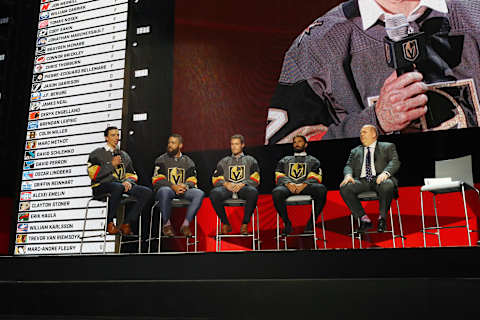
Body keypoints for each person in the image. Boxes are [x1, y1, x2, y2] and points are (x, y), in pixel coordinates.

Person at [266, 0, 480, 144]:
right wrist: (374, 122)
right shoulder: (316, 46)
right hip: (388, 209)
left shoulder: (474, 15)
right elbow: (286, 165)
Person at [87, 126, 152, 235]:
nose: (116, 137)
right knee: (118, 186)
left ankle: (127, 223)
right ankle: (109, 223)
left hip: (121, 186)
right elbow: (93, 174)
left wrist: (129, 182)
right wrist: (111, 165)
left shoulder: (124, 155)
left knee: (146, 192)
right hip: (100, 186)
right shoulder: (97, 153)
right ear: (106, 138)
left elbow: (132, 174)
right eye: (113, 135)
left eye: (118, 135)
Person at [339, 125, 400, 233]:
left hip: (379, 180)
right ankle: (364, 219)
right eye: (361, 132)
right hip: (362, 181)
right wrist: (348, 175)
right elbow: (348, 165)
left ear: (374, 134)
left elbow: (394, 162)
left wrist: (386, 173)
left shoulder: (387, 146)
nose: (361, 134)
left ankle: (382, 219)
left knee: (387, 184)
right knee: (345, 187)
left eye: (365, 132)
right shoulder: (355, 151)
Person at [272, 135, 327, 235]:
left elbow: (316, 176)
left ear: (306, 144)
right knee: (277, 192)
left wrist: (304, 184)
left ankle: (311, 223)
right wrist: (289, 184)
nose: (297, 144)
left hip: (306, 186)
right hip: (289, 187)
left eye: (300, 141)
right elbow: (278, 174)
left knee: (321, 189)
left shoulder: (313, 160)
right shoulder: (285, 160)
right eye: (295, 142)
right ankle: (287, 223)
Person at [152, 134, 205, 237]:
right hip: (167, 191)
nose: (169, 145)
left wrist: (185, 186)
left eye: (173, 143)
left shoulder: (188, 161)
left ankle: (185, 225)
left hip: (183, 190)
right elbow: (157, 179)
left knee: (199, 193)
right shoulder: (161, 159)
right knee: (165, 191)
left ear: (180, 145)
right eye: (169, 142)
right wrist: (173, 186)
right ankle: (166, 225)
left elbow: (193, 179)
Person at [210, 134, 260, 235]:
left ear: (242, 145)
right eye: (232, 144)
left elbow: (256, 177)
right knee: (214, 193)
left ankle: (245, 224)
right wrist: (225, 184)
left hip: (243, 188)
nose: (234, 146)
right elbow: (215, 178)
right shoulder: (224, 161)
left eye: (236, 144)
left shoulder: (250, 160)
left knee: (253, 192)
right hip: (227, 188)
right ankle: (225, 223)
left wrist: (243, 184)